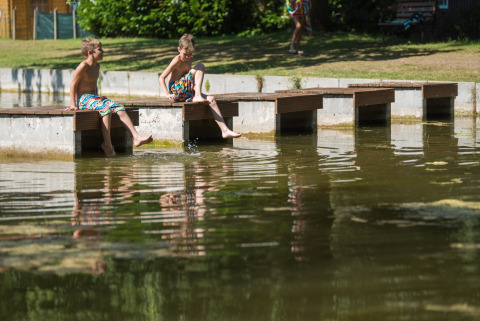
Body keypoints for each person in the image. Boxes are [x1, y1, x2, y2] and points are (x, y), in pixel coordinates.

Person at [66, 38, 153, 157]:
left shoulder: (97, 66)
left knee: (119, 107)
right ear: (90, 53)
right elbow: (73, 85)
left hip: (94, 98)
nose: (103, 51)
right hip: (83, 100)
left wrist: (98, 97)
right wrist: (73, 105)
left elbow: (94, 85)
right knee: (105, 110)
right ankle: (107, 145)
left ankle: (136, 137)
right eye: (99, 49)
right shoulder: (83, 66)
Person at [158, 33, 241, 139]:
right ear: (179, 49)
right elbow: (161, 78)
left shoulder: (190, 59)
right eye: (185, 54)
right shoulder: (177, 60)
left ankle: (224, 130)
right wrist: (168, 94)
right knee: (200, 66)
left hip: (186, 91)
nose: (187, 57)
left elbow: (190, 76)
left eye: (190, 54)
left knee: (211, 99)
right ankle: (197, 95)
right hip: (176, 89)